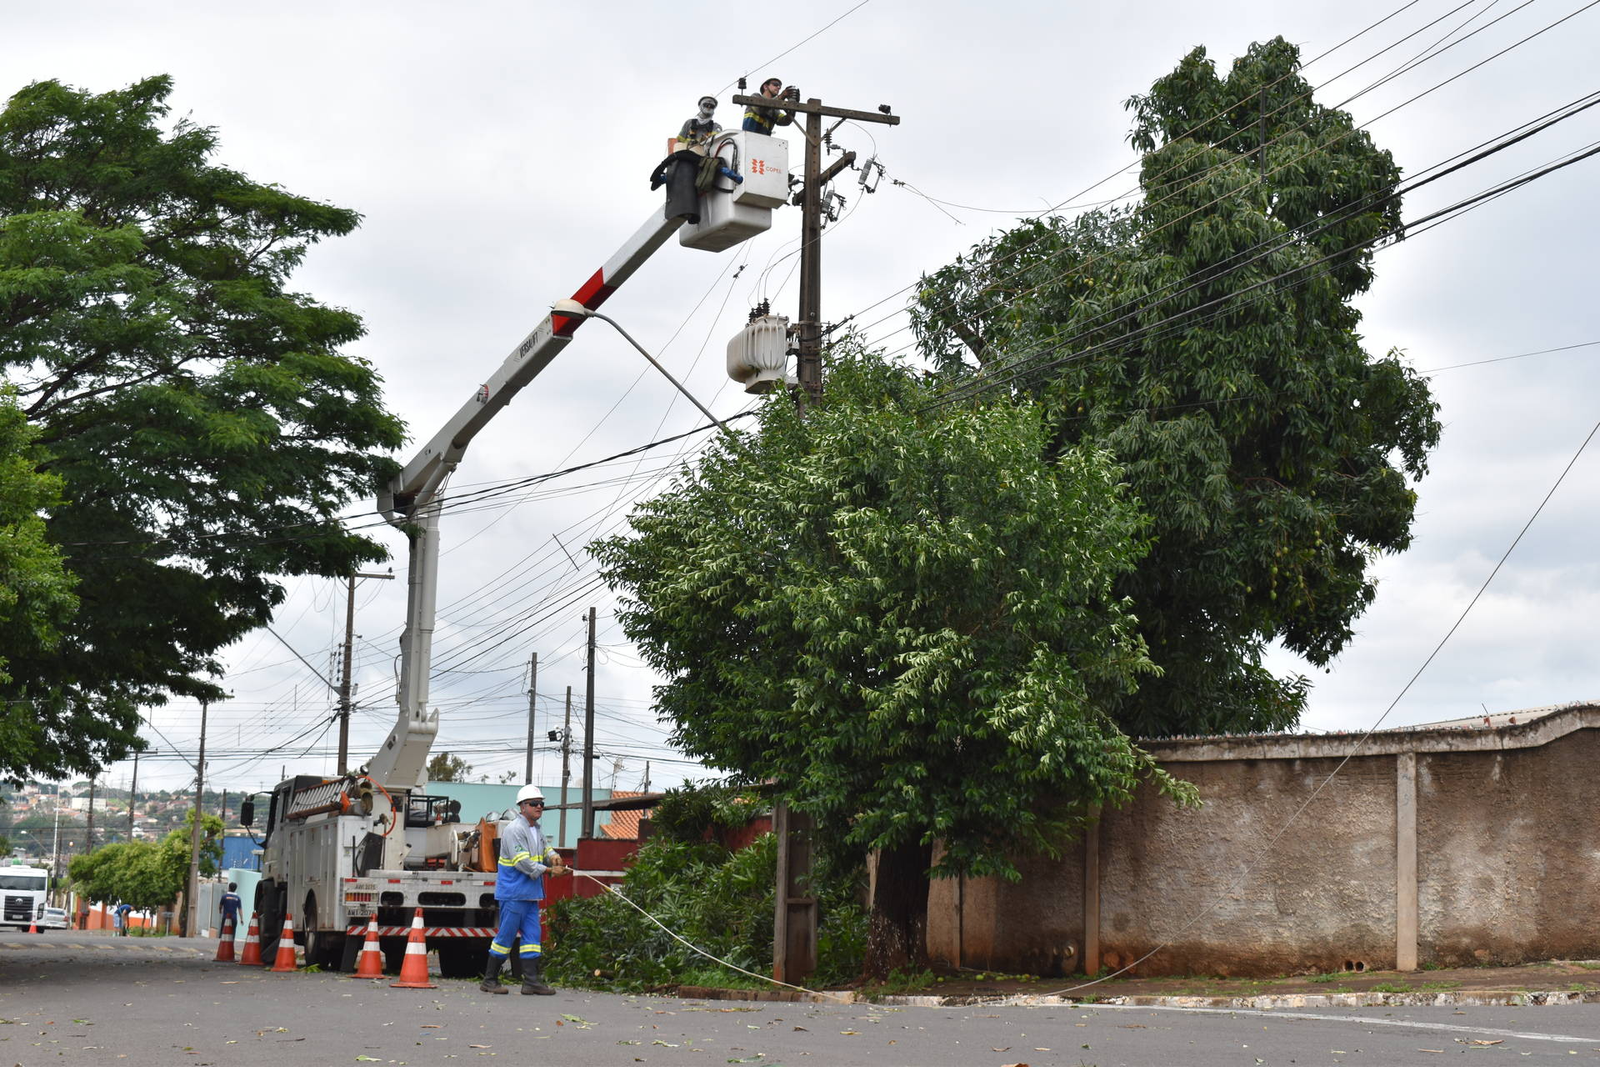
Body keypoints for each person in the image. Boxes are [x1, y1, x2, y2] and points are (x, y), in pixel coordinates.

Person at [480, 784, 567, 996]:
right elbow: (523, 863)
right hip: (514, 893)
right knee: (506, 937)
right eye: (534, 804)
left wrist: (553, 855)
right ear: (522, 806)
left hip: (529, 894)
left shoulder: (535, 829)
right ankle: (489, 979)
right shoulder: (514, 830)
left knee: (532, 937)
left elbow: (544, 847)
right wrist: (549, 869)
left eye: (541, 804)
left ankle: (531, 981)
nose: (539, 807)